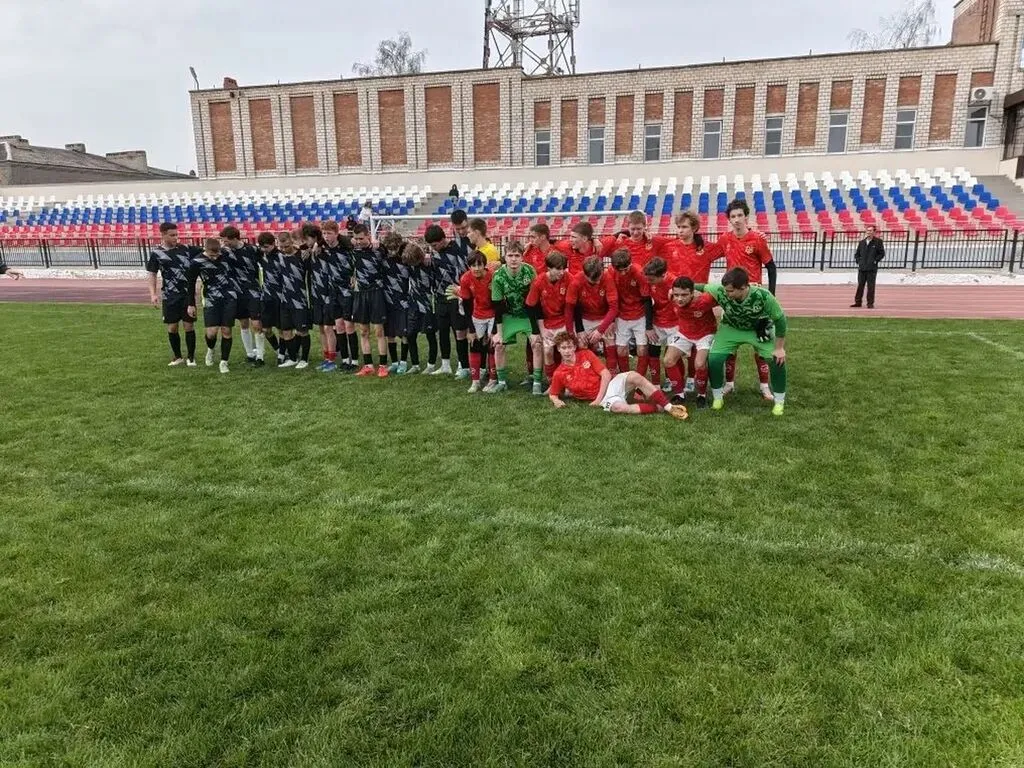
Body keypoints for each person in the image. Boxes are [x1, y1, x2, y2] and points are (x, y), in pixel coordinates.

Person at [700, 267, 788, 416]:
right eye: (725, 290)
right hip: (731, 328)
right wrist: (675, 289)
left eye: (730, 291)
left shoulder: (763, 296)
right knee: (714, 358)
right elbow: (700, 286)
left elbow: (780, 320)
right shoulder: (721, 290)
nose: (727, 294)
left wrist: (779, 348)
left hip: (758, 329)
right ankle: (717, 398)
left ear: (743, 288)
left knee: (777, 360)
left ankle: (779, 401)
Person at [547, 331, 688, 419]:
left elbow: (606, 374)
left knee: (634, 376)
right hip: (606, 399)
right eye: (563, 348)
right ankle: (658, 408)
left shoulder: (586, 354)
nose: (567, 351)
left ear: (574, 347)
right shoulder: (559, 373)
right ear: (558, 349)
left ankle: (669, 407)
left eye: (569, 347)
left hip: (610, 385)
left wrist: (597, 399)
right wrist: (556, 401)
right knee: (619, 408)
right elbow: (553, 394)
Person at [717, 198, 776, 400]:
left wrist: (771, 294)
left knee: (761, 345)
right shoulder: (725, 239)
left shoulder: (757, 239)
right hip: (732, 300)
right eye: (733, 216)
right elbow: (707, 251)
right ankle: (729, 384)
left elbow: (771, 267)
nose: (736, 219)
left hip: (756, 300)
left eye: (740, 215)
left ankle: (764, 387)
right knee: (729, 347)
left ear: (746, 217)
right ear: (729, 219)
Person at [146, 221, 200, 367]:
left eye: (176, 234)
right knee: (172, 327)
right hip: (169, 296)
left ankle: (191, 357)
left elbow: (208, 252)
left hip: (187, 295)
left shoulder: (186, 249)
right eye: (172, 235)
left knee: (189, 326)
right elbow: (152, 274)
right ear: (163, 235)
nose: (176, 237)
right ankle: (177, 357)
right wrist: (153, 294)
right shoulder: (157, 253)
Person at [423, 224, 470, 377]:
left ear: (443, 239)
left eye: (435, 245)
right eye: (431, 246)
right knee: (442, 332)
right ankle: (445, 365)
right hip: (440, 298)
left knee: (459, 332)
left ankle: (463, 365)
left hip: (455, 296)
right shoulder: (433, 255)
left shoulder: (456, 249)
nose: (433, 248)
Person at [664, 276, 718, 406]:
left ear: (693, 293)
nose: (679, 299)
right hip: (684, 333)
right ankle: (679, 394)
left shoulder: (705, 300)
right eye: (677, 295)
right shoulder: (671, 296)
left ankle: (701, 395)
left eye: (684, 295)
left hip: (705, 334)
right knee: (668, 360)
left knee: (699, 364)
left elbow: (722, 294)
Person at [490, 240, 537, 388]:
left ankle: (536, 381)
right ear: (505, 257)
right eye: (510, 255)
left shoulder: (530, 271)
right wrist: (498, 333)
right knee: (498, 345)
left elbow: (535, 300)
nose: (514, 259)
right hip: (508, 315)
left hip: (527, 315)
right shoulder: (498, 276)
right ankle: (502, 382)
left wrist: (536, 330)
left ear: (522, 257)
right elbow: (497, 305)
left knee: (537, 343)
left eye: (517, 255)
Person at [189, 237, 238, 374]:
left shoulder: (226, 255)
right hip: (210, 298)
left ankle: (224, 362)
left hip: (229, 297)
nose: (215, 257)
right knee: (211, 333)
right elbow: (191, 283)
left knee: (226, 330)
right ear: (205, 250)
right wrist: (191, 304)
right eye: (212, 255)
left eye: (217, 254)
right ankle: (210, 349)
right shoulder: (196, 262)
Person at [525, 250, 570, 395]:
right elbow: (531, 306)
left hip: (563, 320)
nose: (562, 272)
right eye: (558, 269)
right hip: (547, 323)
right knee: (548, 351)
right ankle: (553, 383)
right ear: (549, 268)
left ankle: (568, 383)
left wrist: (570, 327)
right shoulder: (539, 282)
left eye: (563, 268)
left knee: (566, 351)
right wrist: (538, 330)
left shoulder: (568, 278)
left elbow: (572, 305)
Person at [348, 223, 390, 377]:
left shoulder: (378, 249)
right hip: (360, 293)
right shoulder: (353, 250)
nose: (359, 241)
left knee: (379, 331)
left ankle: (383, 366)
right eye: (356, 238)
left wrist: (379, 244)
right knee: (363, 331)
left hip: (376, 292)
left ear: (368, 236)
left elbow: (391, 251)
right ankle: (368, 365)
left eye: (361, 238)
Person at [565, 255, 618, 373]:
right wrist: (572, 332)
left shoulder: (608, 278)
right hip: (586, 318)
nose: (597, 282)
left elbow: (614, 308)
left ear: (602, 270)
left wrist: (601, 329)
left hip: (604, 317)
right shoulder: (576, 282)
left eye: (599, 278)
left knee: (609, 340)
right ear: (585, 274)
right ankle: (586, 373)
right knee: (581, 343)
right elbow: (569, 308)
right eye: (593, 281)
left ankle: (612, 373)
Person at [220, 225, 262, 365]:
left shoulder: (252, 250)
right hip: (237, 293)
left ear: (235, 238)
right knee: (243, 323)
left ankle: (260, 356)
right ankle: (250, 354)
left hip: (253, 291)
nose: (224, 243)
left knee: (256, 323)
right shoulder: (224, 252)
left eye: (226, 241)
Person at [460, 251, 498, 393]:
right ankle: (475, 381)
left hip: (493, 314)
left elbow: (498, 303)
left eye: (479, 265)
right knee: (474, 344)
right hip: (477, 315)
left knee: (493, 345)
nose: (476, 268)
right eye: (473, 265)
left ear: (484, 265)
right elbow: (467, 305)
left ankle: (493, 379)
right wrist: (470, 330)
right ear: (469, 266)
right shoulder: (465, 279)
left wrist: (495, 329)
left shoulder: (493, 277)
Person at [609, 247, 651, 377]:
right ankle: (625, 378)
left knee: (642, 349)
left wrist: (649, 325)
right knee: (621, 350)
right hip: (622, 316)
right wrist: (612, 320)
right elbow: (611, 299)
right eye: (619, 270)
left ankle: (639, 380)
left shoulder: (639, 273)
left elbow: (647, 299)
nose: (622, 273)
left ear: (630, 263)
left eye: (625, 269)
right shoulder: (610, 273)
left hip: (640, 315)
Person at [323, 220, 358, 371]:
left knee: (349, 325)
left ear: (337, 233)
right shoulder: (324, 248)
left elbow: (358, 262)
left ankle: (354, 361)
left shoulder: (347, 248)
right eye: (324, 233)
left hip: (347, 292)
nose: (326, 236)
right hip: (333, 292)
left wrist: (354, 277)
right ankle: (344, 359)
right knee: (338, 326)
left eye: (329, 233)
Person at [302, 223, 337, 372]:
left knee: (329, 327)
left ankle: (332, 359)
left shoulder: (324, 249)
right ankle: (326, 357)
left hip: (328, 293)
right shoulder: (308, 252)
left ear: (316, 238)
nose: (305, 242)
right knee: (322, 328)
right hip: (315, 294)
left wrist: (319, 245)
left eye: (308, 239)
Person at [276, 230, 312, 369]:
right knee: (286, 331)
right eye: (281, 247)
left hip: (300, 299)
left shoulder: (302, 255)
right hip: (285, 299)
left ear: (292, 242)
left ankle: (304, 359)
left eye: (286, 246)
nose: (284, 249)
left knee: (302, 331)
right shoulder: (279, 256)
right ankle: (292, 358)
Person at [642, 256, 678, 387]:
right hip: (657, 323)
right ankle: (656, 384)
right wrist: (649, 327)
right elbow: (647, 302)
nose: (648, 282)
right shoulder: (648, 280)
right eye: (647, 279)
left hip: (674, 324)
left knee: (671, 356)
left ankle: (670, 380)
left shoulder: (675, 283)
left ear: (663, 275)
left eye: (651, 279)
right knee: (653, 352)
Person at [402, 242, 438, 375]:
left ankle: (431, 365)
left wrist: (428, 254)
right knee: (410, 335)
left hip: (428, 303)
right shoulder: (408, 261)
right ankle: (415, 364)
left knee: (430, 334)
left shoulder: (430, 263)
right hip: (413, 303)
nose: (411, 265)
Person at [381, 232, 411, 374]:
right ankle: (394, 362)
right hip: (387, 300)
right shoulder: (382, 257)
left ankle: (403, 362)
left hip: (403, 300)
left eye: (395, 248)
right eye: (390, 249)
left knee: (404, 333)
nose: (392, 252)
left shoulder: (406, 258)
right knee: (390, 333)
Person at [255, 231, 285, 365]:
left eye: (266, 247)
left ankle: (283, 354)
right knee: (266, 329)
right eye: (262, 247)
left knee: (282, 329)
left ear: (274, 244)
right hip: (266, 297)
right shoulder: (261, 255)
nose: (264, 249)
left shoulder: (281, 256)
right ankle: (278, 350)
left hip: (280, 297)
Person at [852, 225, 884, 308]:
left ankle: (870, 303)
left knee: (871, 287)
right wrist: (859, 261)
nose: (869, 232)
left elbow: (881, 254)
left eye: (870, 230)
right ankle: (858, 302)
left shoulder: (878, 242)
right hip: (862, 268)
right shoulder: (862, 242)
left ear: (874, 232)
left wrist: (875, 261)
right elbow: (857, 254)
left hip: (871, 269)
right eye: (868, 230)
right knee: (860, 286)